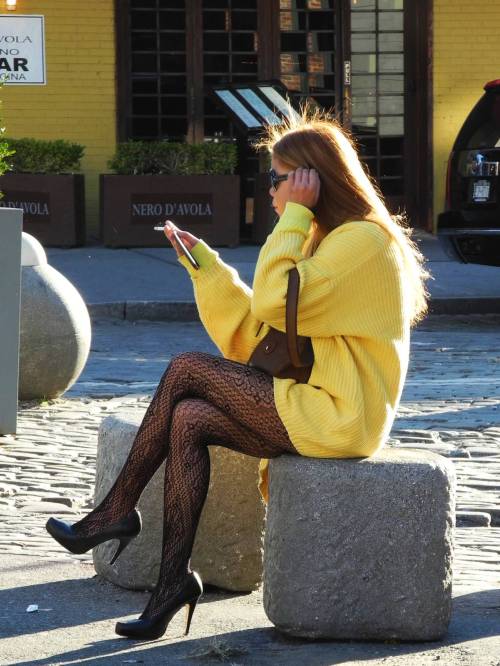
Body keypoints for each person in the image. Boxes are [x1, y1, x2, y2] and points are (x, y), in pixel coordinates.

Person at [45, 102, 431, 641]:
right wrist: (206, 266)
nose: (271, 193)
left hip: (342, 416)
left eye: (278, 180)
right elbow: (264, 336)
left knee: (186, 369)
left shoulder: (363, 243)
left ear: (310, 182)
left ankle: (114, 510)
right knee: (189, 419)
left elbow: (275, 304)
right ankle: (170, 587)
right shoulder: (332, 242)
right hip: (313, 401)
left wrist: (294, 218)